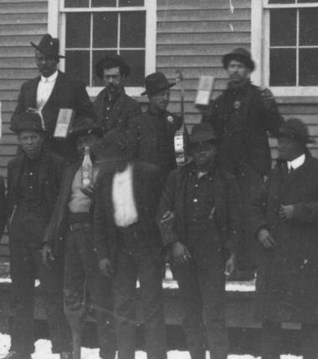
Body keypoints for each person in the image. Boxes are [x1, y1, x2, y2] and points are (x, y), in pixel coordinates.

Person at [252, 118, 318, 359]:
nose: (279, 146)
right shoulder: (275, 173)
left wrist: (299, 211)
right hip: (275, 260)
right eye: (278, 141)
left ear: (299, 144)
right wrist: (261, 229)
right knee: (270, 320)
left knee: (310, 322)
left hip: (307, 260)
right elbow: (255, 206)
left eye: (283, 141)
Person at [157, 123, 241, 359]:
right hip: (184, 256)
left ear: (215, 150)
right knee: (191, 315)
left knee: (214, 315)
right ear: (191, 151)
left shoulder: (227, 181)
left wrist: (233, 253)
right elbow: (161, 213)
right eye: (197, 147)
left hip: (213, 257)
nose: (201, 152)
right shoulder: (177, 178)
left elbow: (236, 220)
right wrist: (173, 242)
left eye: (207, 146)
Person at [202, 48, 284, 280]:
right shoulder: (220, 102)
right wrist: (205, 112)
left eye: (240, 66)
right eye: (231, 66)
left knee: (252, 214)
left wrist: (271, 107)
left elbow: (278, 128)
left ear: (248, 70)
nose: (235, 71)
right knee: (229, 216)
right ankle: (230, 264)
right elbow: (209, 135)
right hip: (226, 170)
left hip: (253, 169)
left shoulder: (259, 97)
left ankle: (250, 267)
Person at [41, 114, 116, 359]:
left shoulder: (107, 170)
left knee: (101, 296)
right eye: (79, 142)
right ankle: (72, 352)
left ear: (98, 142)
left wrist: (98, 197)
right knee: (71, 295)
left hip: (96, 238)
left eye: (89, 140)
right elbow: (60, 207)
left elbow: (114, 209)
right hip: (72, 237)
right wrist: (49, 240)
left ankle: (107, 353)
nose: (84, 146)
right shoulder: (71, 170)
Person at [4, 111, 72, 359]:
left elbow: (60, 206)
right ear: (19, 141)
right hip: (20, 239)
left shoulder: (57, 164)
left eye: (33, 137)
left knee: (53, 294)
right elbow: (12, 203)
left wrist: (50, 240)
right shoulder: (14, 166)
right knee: (21, 296)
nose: (29, 142)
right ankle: (21, 348)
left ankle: (63, 348)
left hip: (46, 241)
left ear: (42, 138)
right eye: (24, 138)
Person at [93, 134, 166, 359]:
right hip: (120, 246)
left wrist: (160, 248)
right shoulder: (104, 179)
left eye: (114, 158)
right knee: (123, 306)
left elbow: (161, 210)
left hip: (145, 244)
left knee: (152, 305)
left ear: (126, 155)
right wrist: (103, 254)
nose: (110, 163)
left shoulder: (148, 174)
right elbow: (99, 219)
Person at [11, 34, 95, 162]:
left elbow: (89, 117)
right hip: (31, 154)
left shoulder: (73, 84)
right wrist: (29, 121)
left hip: (61, 151)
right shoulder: (27, 87)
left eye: (48, 59)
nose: (44, 63)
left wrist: (70, 127)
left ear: (57, 60)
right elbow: (15, 120)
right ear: (36, 60)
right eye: (40, 59)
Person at [129, 71, 184, 183]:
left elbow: (182, 154)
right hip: (146, 183)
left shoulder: (176, 122)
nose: (165, 98)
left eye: (167, 94)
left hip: (170, 183)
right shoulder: (137, 123)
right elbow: (131, 157)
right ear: (150, 97)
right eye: (161, 94)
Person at [93, 54, 141, 135]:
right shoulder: (95, 105)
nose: (111, 81)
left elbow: (132, 138)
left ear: (123, 77)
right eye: (107, 77)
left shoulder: (132, 107)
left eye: (115, 77)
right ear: (103, 78)